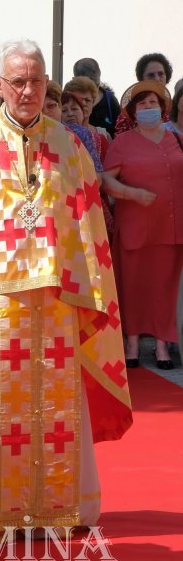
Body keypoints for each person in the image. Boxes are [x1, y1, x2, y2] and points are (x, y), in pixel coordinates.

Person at [0, 39, 131, 541]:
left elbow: (89, 222)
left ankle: (58, 508)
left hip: (59, 299)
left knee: (58, 412)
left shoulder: (69, 146)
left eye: (37, 80)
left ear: (48, 83)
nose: (28, 90)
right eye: (18, 81)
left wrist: (87, 283)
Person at [103, 80, 183, 370]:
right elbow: (105, 180)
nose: (148, 107)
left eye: (153, 102)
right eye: (142, 103)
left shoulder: (176, 139)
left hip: (171, 226)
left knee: (165, 287)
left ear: (162, 108)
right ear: (133, 110)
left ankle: (163, 345)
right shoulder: (122, 142)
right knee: (133, 284)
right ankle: (132, 343)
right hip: (136, 224)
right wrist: (131, 194)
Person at [115, 52, 172, 135]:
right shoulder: (129, 112)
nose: (157, 78)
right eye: (151, 75)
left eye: (161, 74)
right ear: (142, 79)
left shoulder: (176, 109)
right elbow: (121, 144)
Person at [73, 58, 120, 138]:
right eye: (86, 88)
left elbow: (120, 133)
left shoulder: (110, 100)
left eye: (96, 86)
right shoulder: (67, 101)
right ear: (75, 80)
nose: (92, 92)